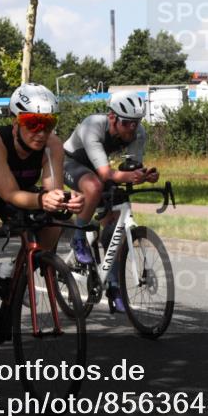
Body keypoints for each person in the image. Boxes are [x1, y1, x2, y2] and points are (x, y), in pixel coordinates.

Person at [0, 83, 84, 369]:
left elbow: (52, 190)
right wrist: (43, 199)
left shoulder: (52, 145)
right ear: (16, 122)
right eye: (32, 123)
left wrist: (65, 202)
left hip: (17, 196)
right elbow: (11, 194)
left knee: (56, 218)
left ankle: (13, 274)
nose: (41, 131)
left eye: (48, 124)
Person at [62, 90, 159, 312]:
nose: (132, 128)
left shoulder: (137, 132)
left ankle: (114, 285)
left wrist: (145, 175)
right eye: (127, 123)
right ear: (112, 117)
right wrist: (128, 176)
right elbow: (106, 174)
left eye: (137, 122)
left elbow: (130, 168)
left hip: (99, 169)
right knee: (94, 186)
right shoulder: (92, 125)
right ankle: (78, 239)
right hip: (71, 164)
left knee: (116, 223)